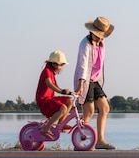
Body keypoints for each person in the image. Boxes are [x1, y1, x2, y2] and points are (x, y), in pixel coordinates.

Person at [74, 16, 116, 149]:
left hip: (96, 81)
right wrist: (80, 85)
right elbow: (83, 65)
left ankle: (100, 140)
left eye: (102, 36)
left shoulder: (101, 45)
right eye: (99, 35)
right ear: (92, 32)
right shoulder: (85, 44)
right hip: (85, 80)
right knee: (89, 111)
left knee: (105, 108)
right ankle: (80, 141)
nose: (101, 38)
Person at [35, 50, 73, 139]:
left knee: (69, 100)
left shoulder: (52, 73)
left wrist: (68, 92)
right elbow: (49, 84)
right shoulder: (47, 71)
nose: (62, 67)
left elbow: (56, 86)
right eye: (61, 65)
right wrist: (61, 91)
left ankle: (60, 124)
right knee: (63, 108)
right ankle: (45, 129)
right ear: (55, 64)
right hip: (44, 100)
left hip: (50, 99)